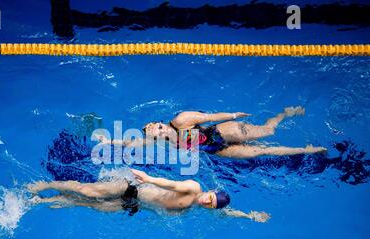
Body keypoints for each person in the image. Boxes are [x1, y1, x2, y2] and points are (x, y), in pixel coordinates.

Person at [27, 169, 270, 222]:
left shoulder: (197, 206)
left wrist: (249, 216)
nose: (207, 202)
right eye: (210, 198)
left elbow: (226, 212)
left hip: (135, 205)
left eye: (211, 205)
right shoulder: (195, 188)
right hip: (133, 188)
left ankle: (47, 200)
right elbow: (171, 183)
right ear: (209, 191)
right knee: (87, 190)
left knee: (92, 206)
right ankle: (45, 184)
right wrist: (149, 178)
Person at [98, 106, 327, 159]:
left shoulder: (181, 120)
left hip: (221, 133)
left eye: (156, 125)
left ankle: (282, 115)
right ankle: (305, 150)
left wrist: (234, 116)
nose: (157, 129)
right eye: (152, 132)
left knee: (268, 132)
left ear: (161, 123)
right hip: (214, 151)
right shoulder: (161, 144)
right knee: (258, 153)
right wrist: (107, 141)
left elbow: (209, 118)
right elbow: (130, 144)